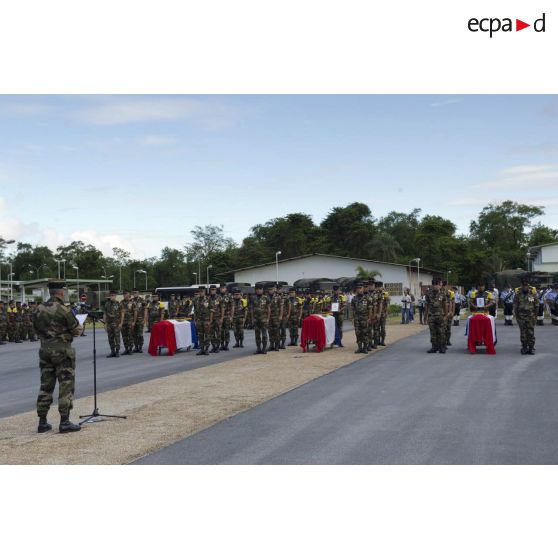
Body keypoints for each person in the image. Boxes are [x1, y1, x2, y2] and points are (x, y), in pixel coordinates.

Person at [33, 281, 83, 433]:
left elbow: (36, 329)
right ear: (61, 292)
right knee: (65, 385)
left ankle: (42, 421)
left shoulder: (38, 309)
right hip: (62, 352)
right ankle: (65, 421)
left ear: (50, 292)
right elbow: (76, 330)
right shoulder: (64, 310)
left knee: (46, 386)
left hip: (45, 351)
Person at [513, 277, 538, 355]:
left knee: (530, 332)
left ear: (528, 285)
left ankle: (531, 348)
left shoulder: (533, 294)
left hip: (531, 316)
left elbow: (536, 305)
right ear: (522, 285)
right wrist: (516, 316)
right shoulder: (518, 294)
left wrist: (535, 316)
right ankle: (524, 347)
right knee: (523, 333)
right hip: (521, 317)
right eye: (524, 285)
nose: (525, 287)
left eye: (526, 285)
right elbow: (515, 306)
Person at [424, 278, 447, 354]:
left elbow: (444, 305)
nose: (436, 286)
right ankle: (434, 347)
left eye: (437, 285)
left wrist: (446, 315)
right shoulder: (428, 294)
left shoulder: (443, 294)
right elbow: (427, 305)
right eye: (434, 285)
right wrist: (425, 316)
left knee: (441, 332)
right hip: (431, 316)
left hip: (440, 315)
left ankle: (442, 347)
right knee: (432, 332)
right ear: (432, 285)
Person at [351, 282, 371, 354]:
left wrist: (369, 318)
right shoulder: (354, 299)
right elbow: (352, 309)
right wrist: (352, 318)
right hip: (357, 318)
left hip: (364, 317)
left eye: (361, 288)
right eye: (358, 288)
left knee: (365, 333)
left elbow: (370, 309)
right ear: (356, 289)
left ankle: (365, 348)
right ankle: (359, 347)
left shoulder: (367, 298)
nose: (360, 290)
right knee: (358, 333)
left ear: (363, 289)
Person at [251, 284, 270, 354]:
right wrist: (252, 318)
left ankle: (264, 348)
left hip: (264, 319)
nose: (259, 291)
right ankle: (258, 348)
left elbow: (268, 308)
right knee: (257, 335)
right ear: (255, 290)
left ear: (262, 290)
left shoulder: (266, 298)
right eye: (257, 289)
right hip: (256, 319)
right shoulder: (253, 298)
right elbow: (252, 309)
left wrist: (268, 318)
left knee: (264, 335)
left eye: (260, 289)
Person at [193, 285, 212, 355]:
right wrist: (195, 320)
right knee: (200, 335)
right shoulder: (195, 300)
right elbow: (195, 311)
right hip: (199, 320)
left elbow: (211, 310)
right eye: (200, 291)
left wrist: (210, 321)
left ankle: (206, 349)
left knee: (207, 335)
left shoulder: (208, 299)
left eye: (202, 291)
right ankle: (202, 349)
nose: (201, 293)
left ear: (205, 292)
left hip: (206, 320)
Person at [103, 290, 122, 358]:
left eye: (113, 295)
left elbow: (122, 313)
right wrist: (105, 324)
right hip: (109, 324)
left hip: (116, 323)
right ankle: (112, 351)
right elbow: (105, 314)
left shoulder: (118, 304)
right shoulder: (107, 304)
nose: (111, 297)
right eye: (111, 295)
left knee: (117, 338)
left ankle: (117, 352)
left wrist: (121, 323)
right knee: (110, 338)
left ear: (115, 296)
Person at [120, 289, 137, 355]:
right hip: (123, 322)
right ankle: (126, 349)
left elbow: (135, 312)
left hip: (130, 321)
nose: (124, 295)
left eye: (126, 294)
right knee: (124, 336)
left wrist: (134, 321)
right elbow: (119, 313)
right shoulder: (121, 302)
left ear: (129, 294)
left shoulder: (132, 302)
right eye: (124, 294)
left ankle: (130, 349)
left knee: (130, 336)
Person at [267, 284, 283, 351]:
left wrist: (280, 315)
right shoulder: (266, 297)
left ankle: (277, 345)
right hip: (269, 317)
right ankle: (271, 345)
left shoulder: (278, 297)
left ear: (274, 289)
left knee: (276, 331)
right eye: (269, 290)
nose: (270, 291)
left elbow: (281, 307)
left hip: (276, 317)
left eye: (271, 289)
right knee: (270, 331)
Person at [208, 285, 223, 353]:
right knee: (211, 334)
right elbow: (206, 308)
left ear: (216, 290)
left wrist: (222, 318)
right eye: (211, 289)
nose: (212, 290)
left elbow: (222, 308)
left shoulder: (219, 298)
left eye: (213, 289)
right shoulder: (208, 298)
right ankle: (213, 347)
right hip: (210, 319)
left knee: (218, 333)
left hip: (217, 318)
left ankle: (217, 347)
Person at [219, 284, 233, 351]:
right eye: (221, 288)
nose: (222, 289)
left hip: (227, 316)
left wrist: (231, 316)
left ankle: (226, 345)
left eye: (223, 288)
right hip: (219, 317)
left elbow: (232, 306)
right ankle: (221, 345)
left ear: (226, 288)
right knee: (221, 331)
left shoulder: (229, 296)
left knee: (227, 331)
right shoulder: (218, 296)